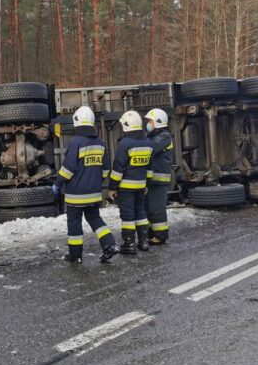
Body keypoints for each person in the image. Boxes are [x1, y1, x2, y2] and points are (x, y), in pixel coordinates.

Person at [53, 106, 119, 264]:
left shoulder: (75, 142)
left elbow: (68, 169)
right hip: (94, 193)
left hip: (76, 195)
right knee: (95, 219)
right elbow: (105, 170)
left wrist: (57, 183)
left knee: (74, 224)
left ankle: (75, 255)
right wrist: (95, 182)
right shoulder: (101, 143)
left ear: (77, 122)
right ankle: (110, 244)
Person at [108, 111, 153, 254]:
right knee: (140, 212)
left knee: (128, 215)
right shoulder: (148, 143)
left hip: (126, 187)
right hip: (141, 185)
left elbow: (118, 169)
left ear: (126, 125)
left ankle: (129, 244)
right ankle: (143, 242)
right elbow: (150, 168)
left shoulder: (125, 143)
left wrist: (112, 188)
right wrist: (146, 184)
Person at [144, 108, 173, 245]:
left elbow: (150, 149)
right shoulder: (152, 136)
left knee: (157, 209)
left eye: (150, 121)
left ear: (158, 122)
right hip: (152, 179)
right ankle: (151, 233)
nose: (148, 124)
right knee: (149, 208)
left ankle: (160, 235)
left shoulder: (164, 136)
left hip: (159, 179)